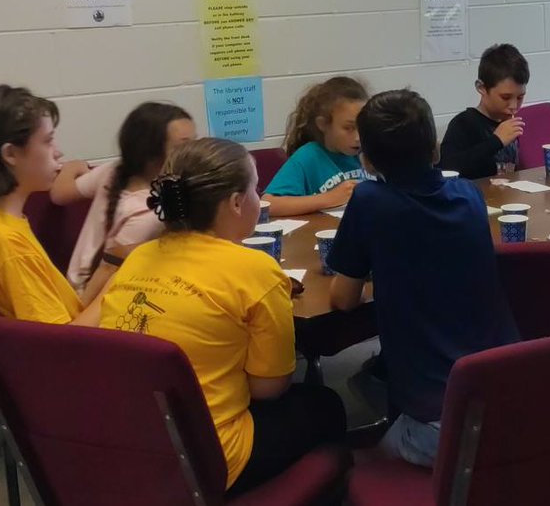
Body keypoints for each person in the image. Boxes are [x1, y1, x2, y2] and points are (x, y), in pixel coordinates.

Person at [99, 138, 345, 494]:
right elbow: (269, 388)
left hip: (134, 445)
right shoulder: (255, 269)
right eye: (255, 188)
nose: (259, 198)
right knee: (326, 404)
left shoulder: (139, 257)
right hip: (211, 458)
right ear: (235, 203)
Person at [328, 89, 519, 467]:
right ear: (434, 150)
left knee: (361, 461)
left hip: (445, 427)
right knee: (373, 378)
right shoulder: (469, 195)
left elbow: (342, 300)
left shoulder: (369, 201)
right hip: (509, 393)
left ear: (366, 159)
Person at [0, 85, 105, 326]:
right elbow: (60, 344)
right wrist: (114, 289)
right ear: (11, 154)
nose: (58, 153)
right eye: (47, 142)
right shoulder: (7, 244)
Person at [51, 102, 194, 302]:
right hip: (93, 297)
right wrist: (78, 321)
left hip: (76, 284)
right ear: (151, 154)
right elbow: (108, 269)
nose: (195, 153)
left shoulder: (113, 170)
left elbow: (59, 193)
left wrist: (72, 167)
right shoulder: (151, 213)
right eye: (184, 146)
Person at [263, 76, 368, 216]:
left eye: (363, 126)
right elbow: (269, 205)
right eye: (348, 128)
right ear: (323, 124)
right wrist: (329, 198)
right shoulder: (309, 156)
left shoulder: (370, 151)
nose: (358, 137)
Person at [439, 43, 530, 179]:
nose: (514, 105)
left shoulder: (510, 123)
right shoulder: (464, 123)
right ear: (481, 88)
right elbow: (447, 168)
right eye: (505, 97)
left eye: (520, 97)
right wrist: (496, 141)